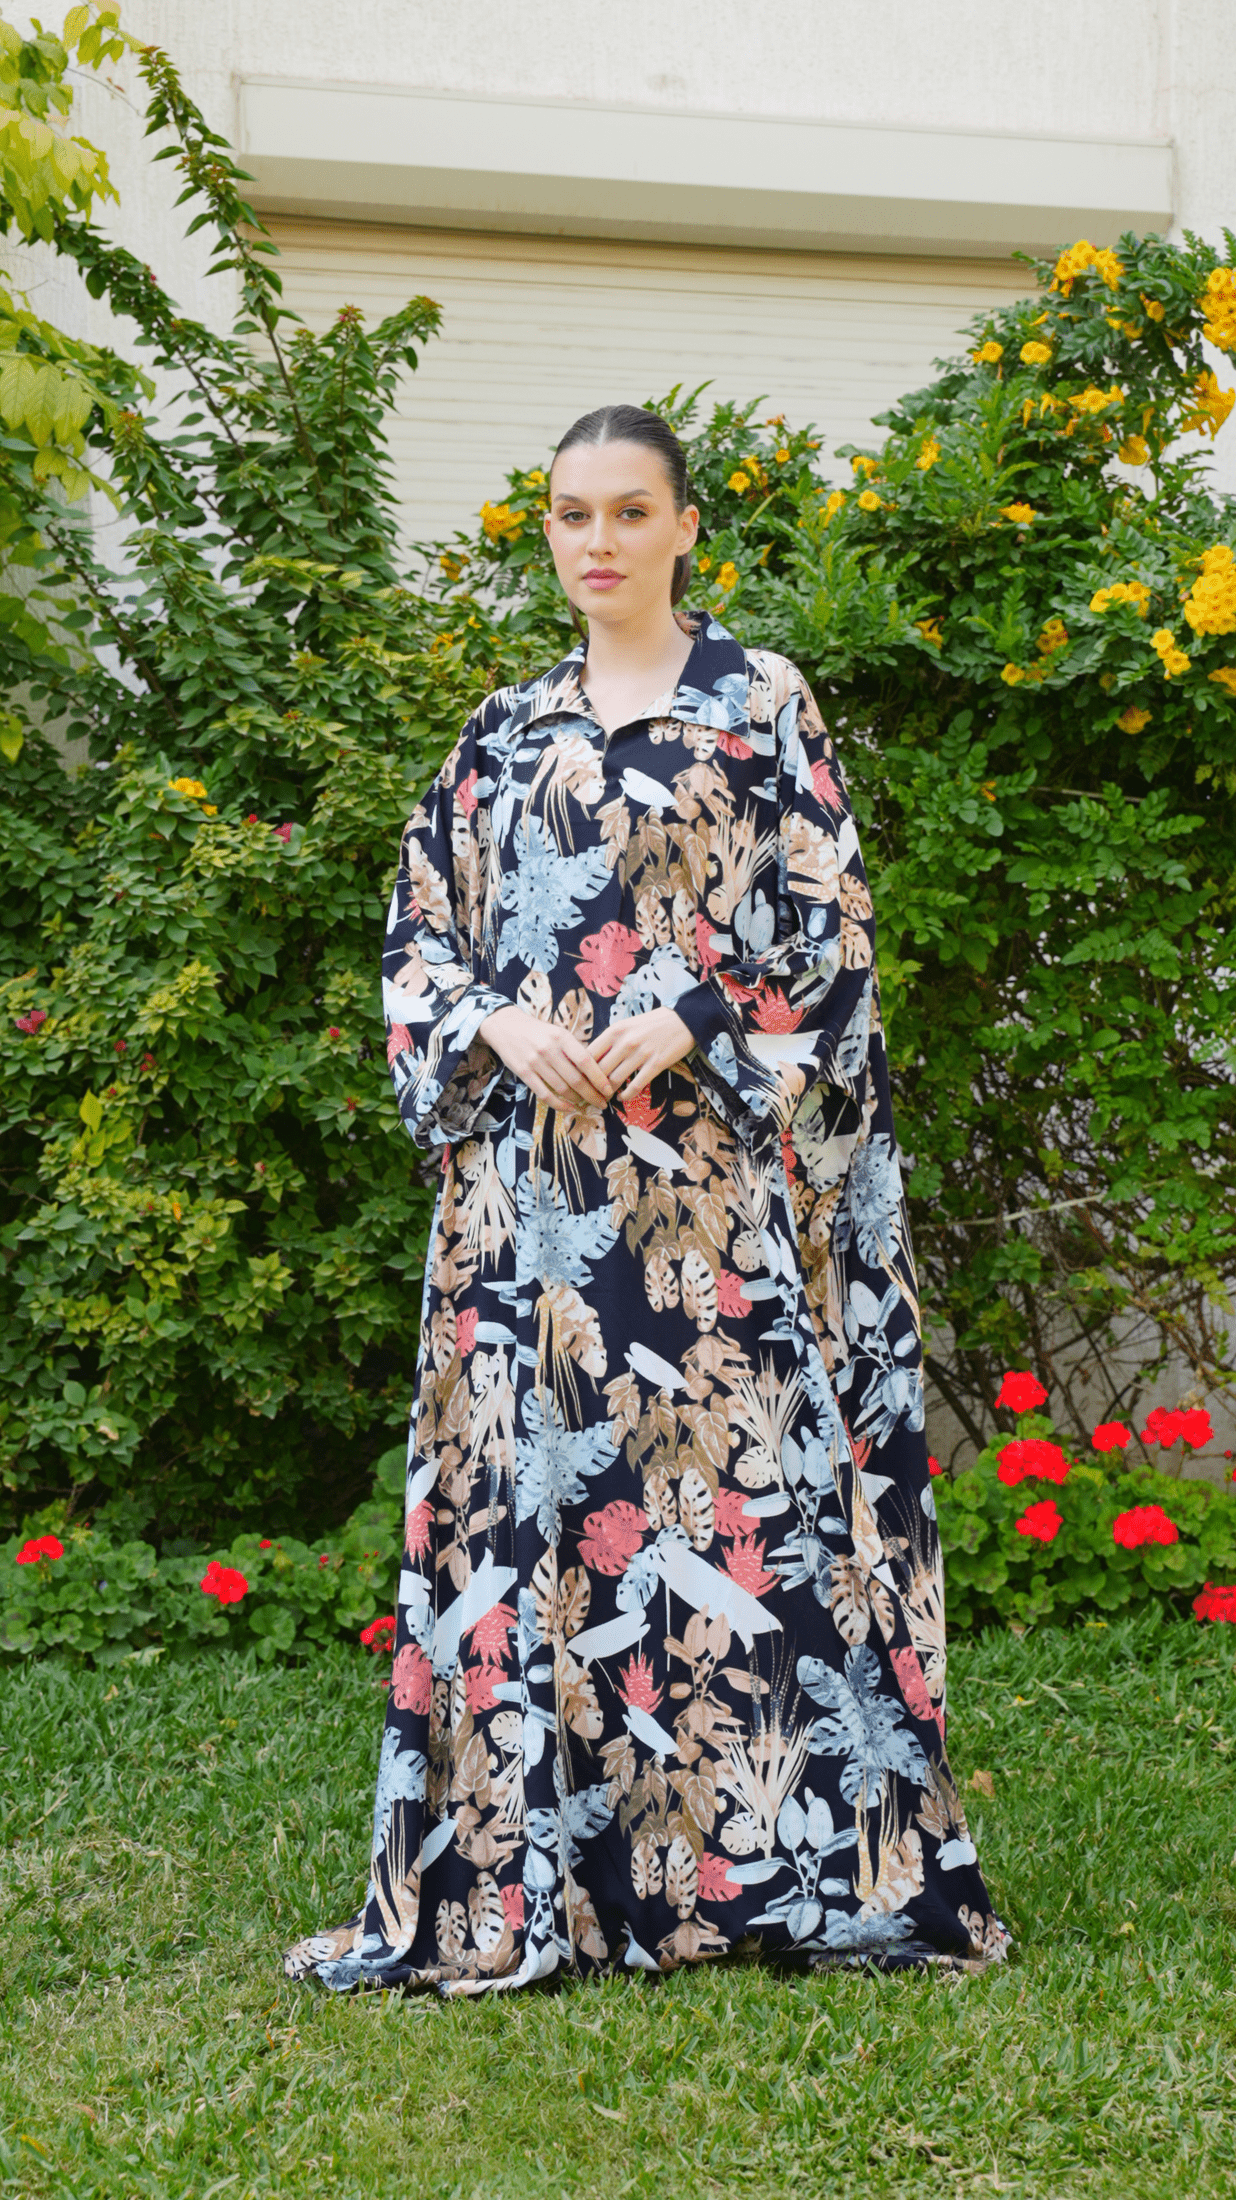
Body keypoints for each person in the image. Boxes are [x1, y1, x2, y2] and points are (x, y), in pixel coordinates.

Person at [283, 404, 1007, 1995]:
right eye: (570, 514)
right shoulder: (501, 731)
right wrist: (497, 1024)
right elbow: (420, 939)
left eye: (629, 511)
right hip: (526, 1208)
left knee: (733, 1511)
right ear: (546, 530)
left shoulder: (760, 705)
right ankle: (539, 1881)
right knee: (535, 1511)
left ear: (686, 526)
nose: (597, 541)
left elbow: (831, 926)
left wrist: (695, 1017)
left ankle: (772, 1876)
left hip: (704, 1205)